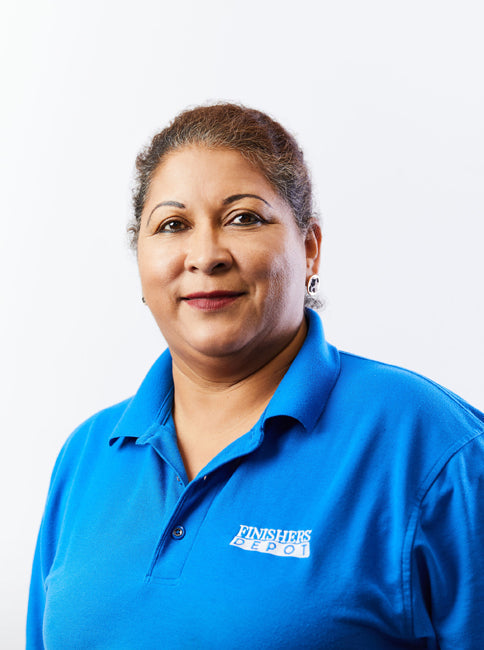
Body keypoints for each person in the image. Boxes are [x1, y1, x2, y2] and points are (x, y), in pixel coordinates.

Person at [27, 103, 484, 649]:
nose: (205, 256)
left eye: (243, 218)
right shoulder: (87, 457)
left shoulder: (434, 448)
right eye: (172, 225)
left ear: (309, 249)